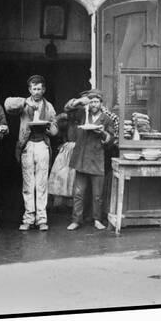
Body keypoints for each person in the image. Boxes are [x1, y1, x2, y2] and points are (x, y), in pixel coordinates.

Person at [5, 75, 58, 231]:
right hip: (27, 146)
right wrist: (24, 101)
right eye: (34, 89)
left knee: (41, 184)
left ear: (44, 90)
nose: (36, 92)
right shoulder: (23, 104)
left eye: (39, 89)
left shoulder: (48, 107)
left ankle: (41, 219)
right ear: (29, 90)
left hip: (42, 145)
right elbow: (8, 105)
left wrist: (50, 129)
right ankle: (28, 217)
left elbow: (55, 128)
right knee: (28, 184)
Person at [65, 89, 115, 231]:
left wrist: (103, 133)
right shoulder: (82, 114)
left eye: (96, 101)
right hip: (81, 158)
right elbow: (67, 108)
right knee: (78, 193)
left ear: (101, 103)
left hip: (97, 160)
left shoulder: (106, 119)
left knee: (97, 195)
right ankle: (76, 220)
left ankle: (97, 220)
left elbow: (111, 140)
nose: (94, 104)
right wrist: (80, 101)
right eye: (91, 101)